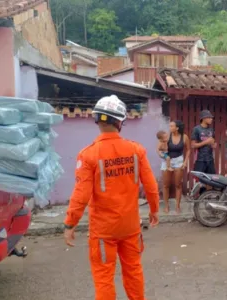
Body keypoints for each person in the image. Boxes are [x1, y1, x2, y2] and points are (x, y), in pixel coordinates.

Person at [63, 95, 160, 300]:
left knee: (104, 278)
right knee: (133, 271)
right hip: (130, 227)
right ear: (120, 121)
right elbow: (151, 187)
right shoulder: (136, 150)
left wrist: (70, 223)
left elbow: (81, 194)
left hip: (103, 230)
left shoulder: (88, 155)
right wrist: (154, 210)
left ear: (97, 119)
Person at [161, 120, 190, 214]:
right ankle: (166, 206)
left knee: (178, 185)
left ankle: (177, 206)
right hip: (167, 161)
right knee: (166, 185)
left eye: (171, 126)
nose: (169, 128)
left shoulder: (184, 137)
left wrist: (185, 162)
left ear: (177, 128)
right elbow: (159, 149)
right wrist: (164, 156)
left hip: (179, 161)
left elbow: (188, 150)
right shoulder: (167, 136)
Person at [191, 110, 216, 175]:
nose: (211, 119)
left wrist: (213, 145)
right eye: (209, 117)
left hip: (210, 159)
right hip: (200, 159)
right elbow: (193, 145)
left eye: (211, 118)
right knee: (200, 180)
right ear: (203, 118)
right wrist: (206, 142)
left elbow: (213, 143)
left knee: (211, 180)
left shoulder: (211, 130)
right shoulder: (196, 129)